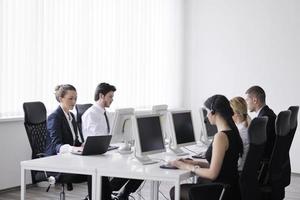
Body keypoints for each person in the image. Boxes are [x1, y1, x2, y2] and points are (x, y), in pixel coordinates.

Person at [169, 95, 243, 200]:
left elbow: (212, 174)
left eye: (207, 112)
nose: (207, 116)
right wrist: (196, 163)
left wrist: (187, 167)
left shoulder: (220, 137)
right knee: (198, 182)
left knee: (176, 191)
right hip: (230, 188)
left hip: (221, 191)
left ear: (214, 113)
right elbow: (223, 166)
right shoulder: (232, 132)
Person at [45, 84, 112, 200]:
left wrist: (82, 144)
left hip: (69, 159)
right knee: (93, 170)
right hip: (56, 162)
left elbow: (74, 141)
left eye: (75, 98)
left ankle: (104, 197)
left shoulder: (71, 116)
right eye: (70, 98)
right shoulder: (54, 117)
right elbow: (57, 146)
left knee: (98, 168)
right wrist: (73, 148)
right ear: (61, 98)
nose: (74, 101)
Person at [82, 82, 143, 200]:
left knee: (140, 167)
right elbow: (94, 139)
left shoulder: (104, 113)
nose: (112, 99)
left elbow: (108, 136)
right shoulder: (91, 114)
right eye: (110, 96)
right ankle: (103, 193)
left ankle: (122, 193)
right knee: (129, 166)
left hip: (105, 150)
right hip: (95, 155)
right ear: (101, 96)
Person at [245, 85, 276, 160]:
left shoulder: (263, 119)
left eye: (247, 100)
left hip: (262, 160)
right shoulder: (269, 113)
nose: (246, 103)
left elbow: (257, 145)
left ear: (255, 100)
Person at [230, 96, 251, 171]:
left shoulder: (240, 132)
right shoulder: (248, 126)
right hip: (246, 169)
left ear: (235, 113)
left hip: (238, 170)